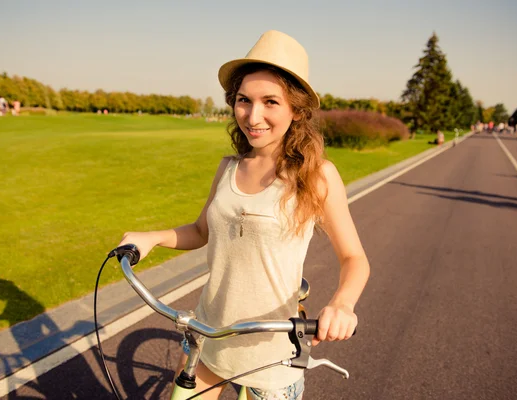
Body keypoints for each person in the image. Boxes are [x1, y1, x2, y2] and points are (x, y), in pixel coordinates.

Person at [118, 30, 370, 400]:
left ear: (296, 110)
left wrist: (342, 304)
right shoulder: (228, 168)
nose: (253, 116)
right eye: (243, 101)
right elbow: (201, 230)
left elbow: (355, 259)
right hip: (207, 337)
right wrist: (151, 237)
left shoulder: (317, 176)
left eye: (270, 102)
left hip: (268, 354)